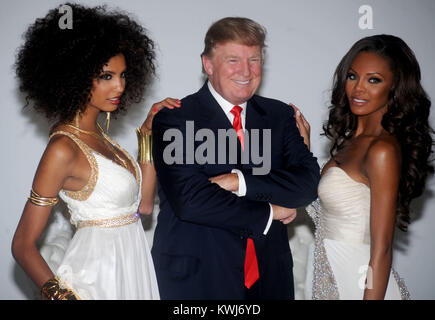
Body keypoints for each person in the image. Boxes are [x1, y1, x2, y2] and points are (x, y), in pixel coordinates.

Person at [151, 17, 320, 299]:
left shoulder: (279, 116)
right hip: (198, 279)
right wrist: (272, 210)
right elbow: (190, 201)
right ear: (208, 64)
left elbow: (308, 183)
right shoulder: (174, 118)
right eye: (233, 60)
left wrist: (237, 181)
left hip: (270, 277)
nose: (246, 71)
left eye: (254, 60)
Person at [11, 3, 169, 299]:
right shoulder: (63, 149)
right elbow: (22, 244)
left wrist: (147, 135)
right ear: (76, 76)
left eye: (123, 75)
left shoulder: (102, 138)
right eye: (107, 76)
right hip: (95, 283)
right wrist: (63, 297)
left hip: (131, 273)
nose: (120, 86)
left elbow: (144, 207)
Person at [297, 34, 433, 299]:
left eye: (374, 80)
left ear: (394, 87)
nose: (358, 89)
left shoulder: (381, 150)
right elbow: (325, 212)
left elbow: (381, 250)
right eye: (352, 76)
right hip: (333, 284)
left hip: (362, 288)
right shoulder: (350, 142)